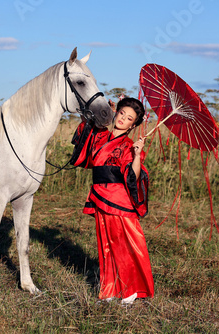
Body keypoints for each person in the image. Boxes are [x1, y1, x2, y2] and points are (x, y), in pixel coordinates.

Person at [71, 97, 154, 305]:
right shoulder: (101, 137)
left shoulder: (128, 145)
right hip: (99, 195)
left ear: (133, 125)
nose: (123, 119)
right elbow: (86, 148)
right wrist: (94, 114)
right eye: (122, 113)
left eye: (129, 119)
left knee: (123, 245)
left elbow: (132, 177)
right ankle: (109, 290)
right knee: (105, 245)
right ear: (116, 112)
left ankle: (130, 290)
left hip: (119, 200)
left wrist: (136, 155)